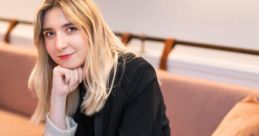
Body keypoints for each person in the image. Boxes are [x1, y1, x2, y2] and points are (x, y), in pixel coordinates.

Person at [28, 0, 170, 135]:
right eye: (50, 34)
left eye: (71, 29)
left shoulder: (137, 75)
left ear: (93, 30)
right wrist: (58, 98)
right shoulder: (65, 76)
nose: (59, 45)